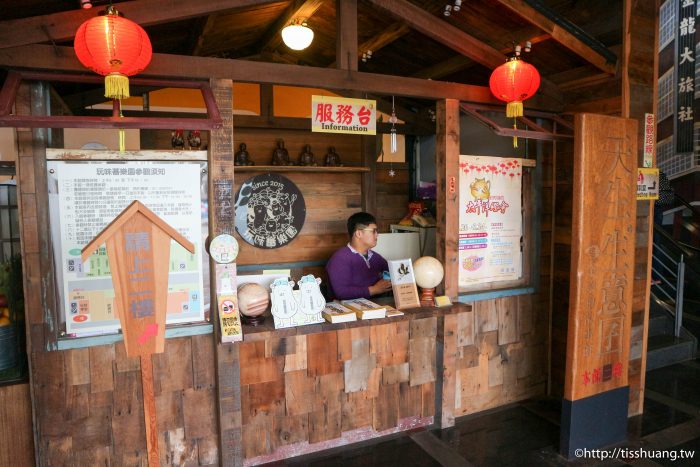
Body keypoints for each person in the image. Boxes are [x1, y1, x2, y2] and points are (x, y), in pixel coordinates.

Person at [326, 212, 392, 300]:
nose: (377, 234)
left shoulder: (375, 257)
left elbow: (393, 273)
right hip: (349, 310)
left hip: (376, 306)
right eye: (373, 231)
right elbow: (341, 292)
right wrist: (374, 290)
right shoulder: (339, 259)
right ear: (359, 234)